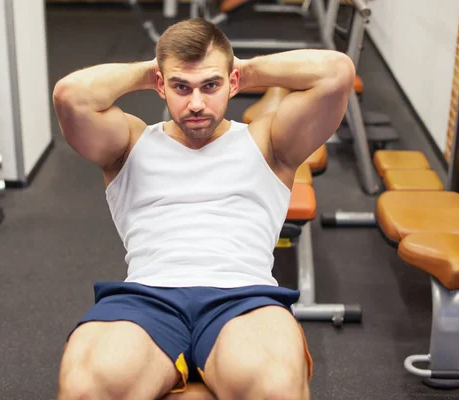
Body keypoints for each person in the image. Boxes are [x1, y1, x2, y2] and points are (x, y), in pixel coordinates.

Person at [52, 18, 354, 400]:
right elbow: (70, 95)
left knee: (276, 386)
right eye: (181, 87)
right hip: (148, 297)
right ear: (161, 86)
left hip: (242, 298)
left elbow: (337, 72)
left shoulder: (269, 143)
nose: (196, 103)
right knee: (85, 388)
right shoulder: (128, 143)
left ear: (232, 82)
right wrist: (152, 70)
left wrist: (242, 70)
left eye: (210, 85)